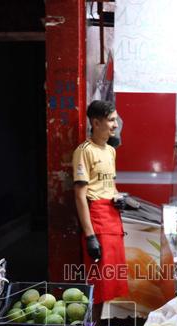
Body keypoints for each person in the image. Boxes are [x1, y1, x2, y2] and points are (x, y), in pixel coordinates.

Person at [72, 100, 128, 305]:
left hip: (113, 219)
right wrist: (90, 236)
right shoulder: (84, 150)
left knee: (110, 284)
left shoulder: (110, 150)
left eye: (115, 120)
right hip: (97, 220)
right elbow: (80, 194)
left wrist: (118, 197)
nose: (115, 125)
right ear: (96, 123)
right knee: (97, 284)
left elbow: (110, 185)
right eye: (111, 120)